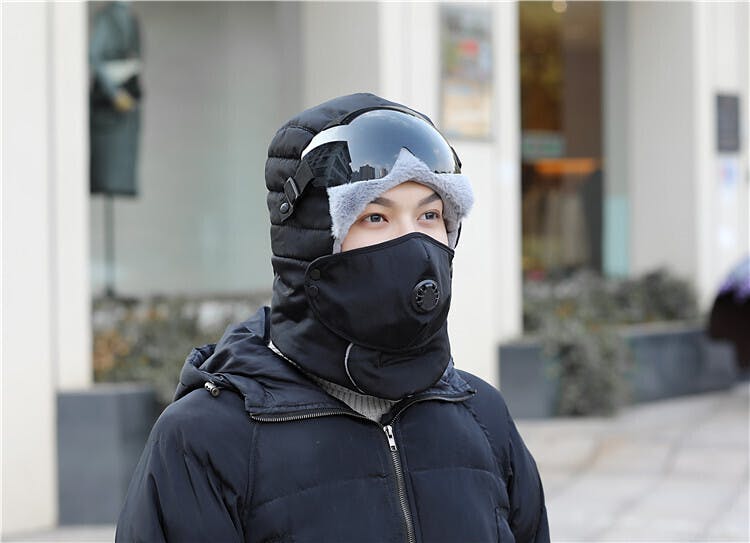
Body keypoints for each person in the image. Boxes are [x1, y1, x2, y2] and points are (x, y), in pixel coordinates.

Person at [116, 93, 549, 542]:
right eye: (375, 217)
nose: (414, 243)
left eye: (430, 215)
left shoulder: (483, 417)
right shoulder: (206, 438)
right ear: (313, 242)